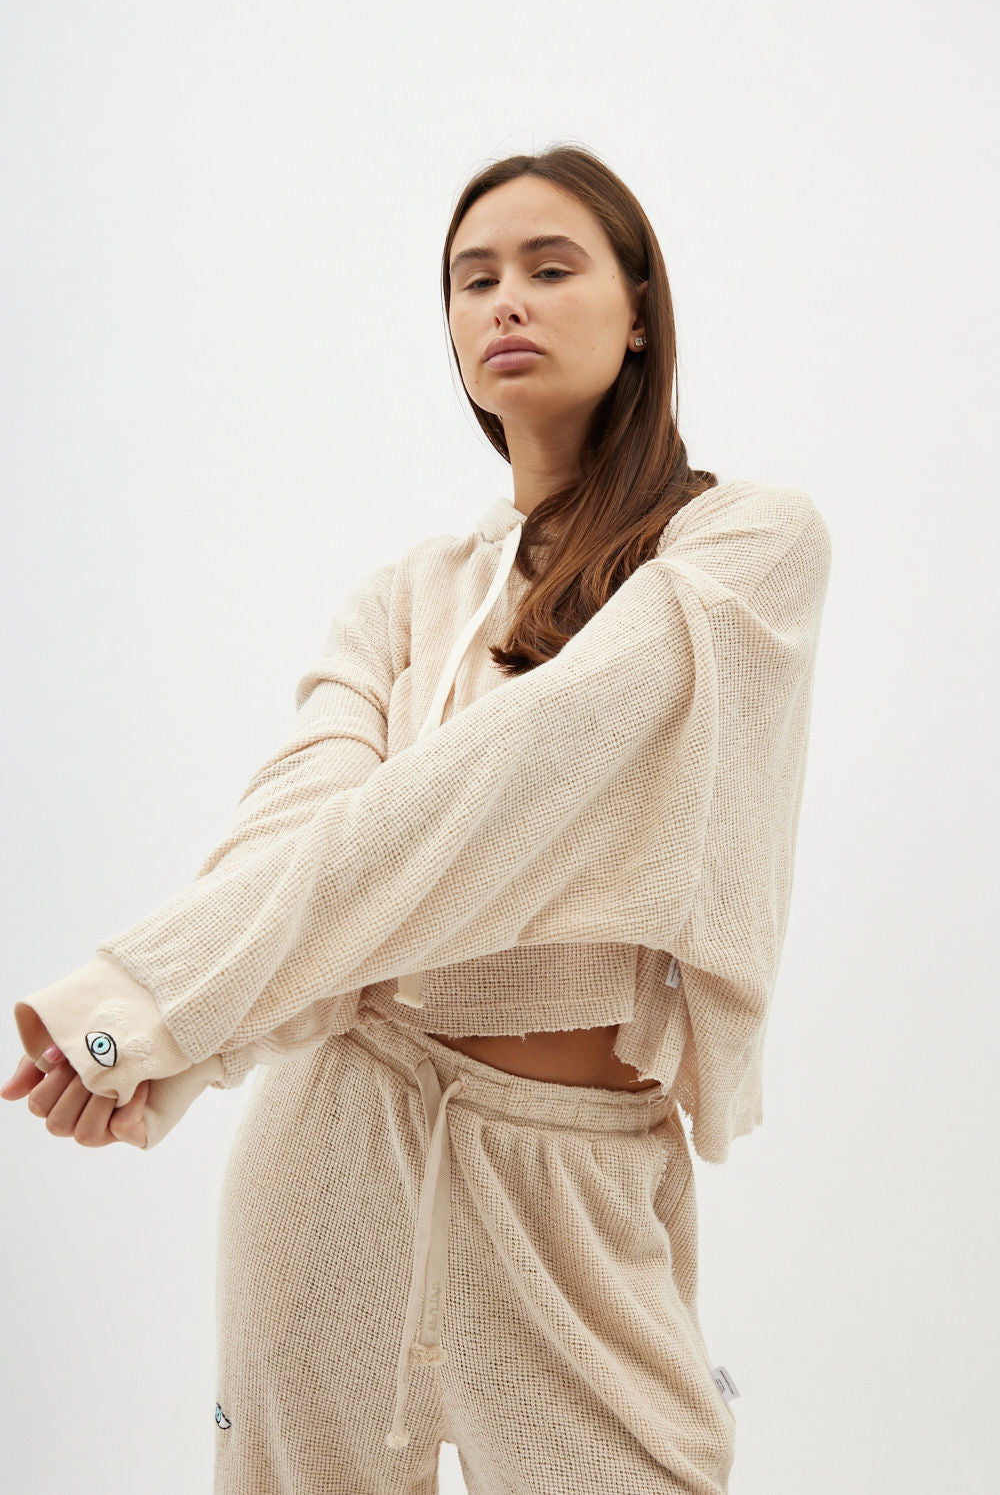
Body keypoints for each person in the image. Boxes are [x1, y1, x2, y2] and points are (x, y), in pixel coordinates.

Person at [2, 143, 832, 1493]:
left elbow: (494, 793)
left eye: (549, 268)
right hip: (335, 1138)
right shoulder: (399, 600)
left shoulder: (745, 548)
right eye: (474, 278)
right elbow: (294, 835)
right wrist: (164, 1045)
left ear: (638, 311)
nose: (506, 300)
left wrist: (156, 1003)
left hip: (575, 1179)